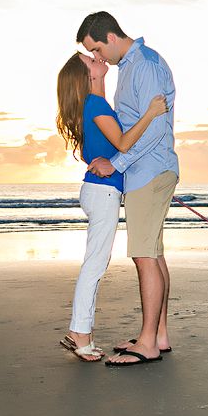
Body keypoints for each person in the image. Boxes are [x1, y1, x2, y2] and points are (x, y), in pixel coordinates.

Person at [77, 11, 179, 366]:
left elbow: (152, 130)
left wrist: (115, 164)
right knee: (154, 252)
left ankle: (148, 343)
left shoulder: (145, 66)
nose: (98, 57)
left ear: (110, 36)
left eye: (97, 49)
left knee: (144, 255)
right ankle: (158, 336)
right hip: (147, 172)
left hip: (147, 172)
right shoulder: (129, 69)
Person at [56, 51, 169, 362]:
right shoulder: (95, 104)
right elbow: (122, 144)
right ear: (88, 76)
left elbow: (113, 150)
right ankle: (79, 333)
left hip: (99, 191)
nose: (96, 58)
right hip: (102, 193)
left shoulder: (97, 105)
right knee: (95, 264)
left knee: (95, 262)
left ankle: (81, 332)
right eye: (89, 60)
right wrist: (151, 112)